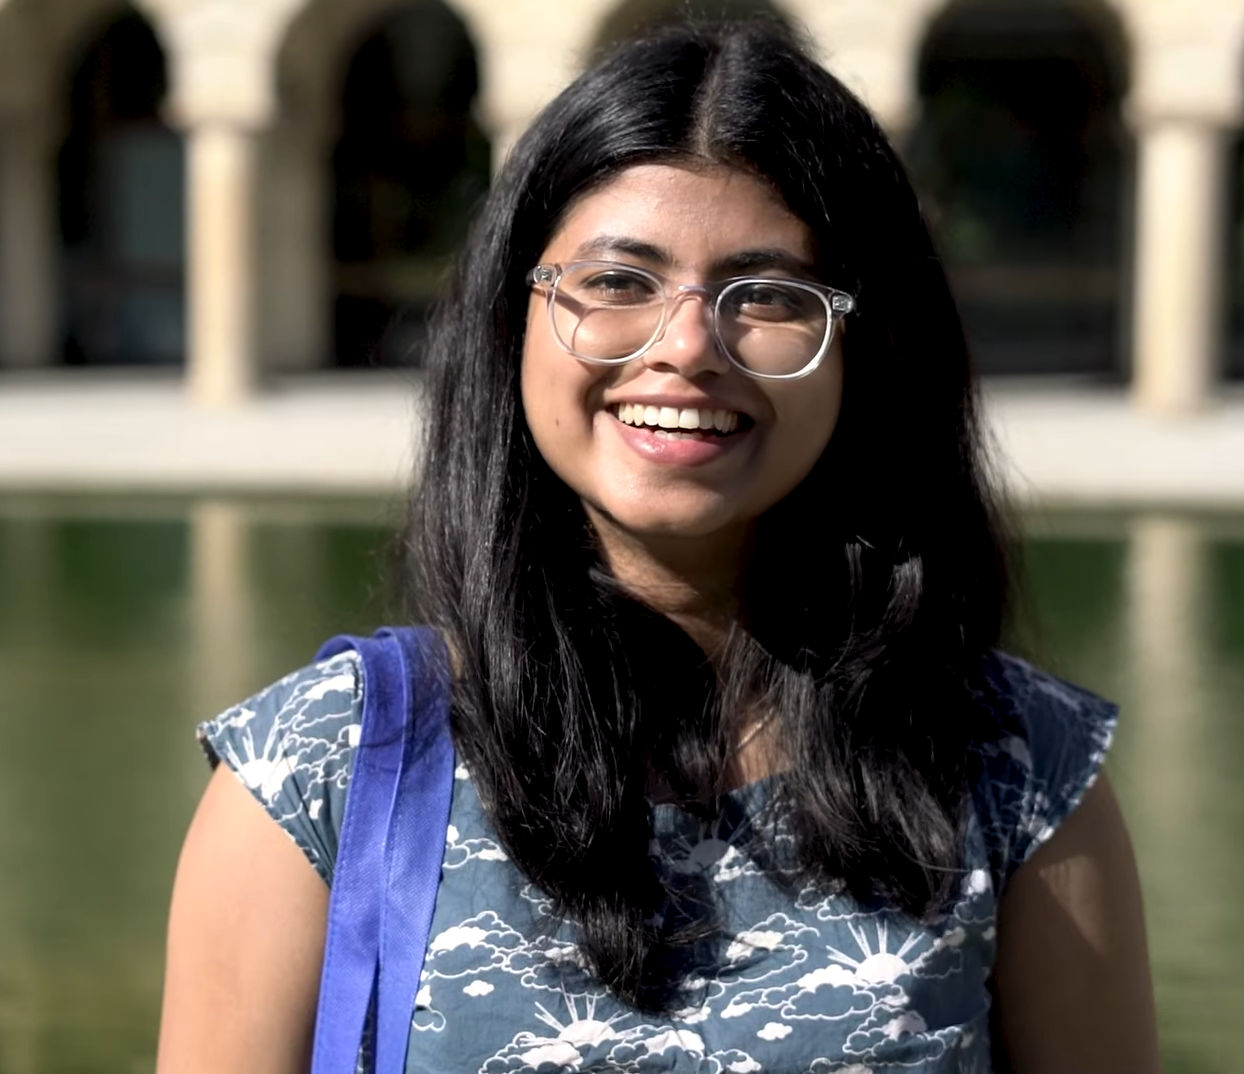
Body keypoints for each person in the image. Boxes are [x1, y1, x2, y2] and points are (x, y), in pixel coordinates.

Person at [156, 20, 1157, 1074]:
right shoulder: (323, 767)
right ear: (514, 321)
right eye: (615, 282)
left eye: (766, 297)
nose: (684, 348)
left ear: (866, 349)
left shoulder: (1014, 771)